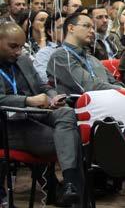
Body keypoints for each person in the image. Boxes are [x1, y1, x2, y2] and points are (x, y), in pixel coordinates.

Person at [0, 22, 82, 205]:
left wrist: (52, 97)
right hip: (8, 123)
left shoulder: (22, 60)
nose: (18, 51)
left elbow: (42, 86)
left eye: (21, 46)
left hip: (34, 114)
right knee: (71, 139)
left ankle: (69, 184)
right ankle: (74, 190)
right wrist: (28, 101)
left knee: (67, 113)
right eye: (13, 46)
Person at [34, 13, 65, 83]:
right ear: (50, 32)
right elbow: (42, 78)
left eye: (67, 26)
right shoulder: (45, 53)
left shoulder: (78, 49)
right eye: (61, 27)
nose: (66, 30)